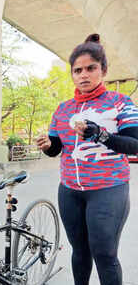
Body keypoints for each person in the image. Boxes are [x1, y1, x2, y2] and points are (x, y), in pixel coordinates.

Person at [37, 34, 138, 285]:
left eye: (91, 68)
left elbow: (134, 144)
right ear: (72, 74)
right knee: (79, 252)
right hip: (69, 191)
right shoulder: (63, 109)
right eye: (78, 70)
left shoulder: (121, 102)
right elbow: (56, 148)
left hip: (108, 189)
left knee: (104, 254)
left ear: (103, 70)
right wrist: (48, 145)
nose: (84, 75)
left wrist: (100, 135)